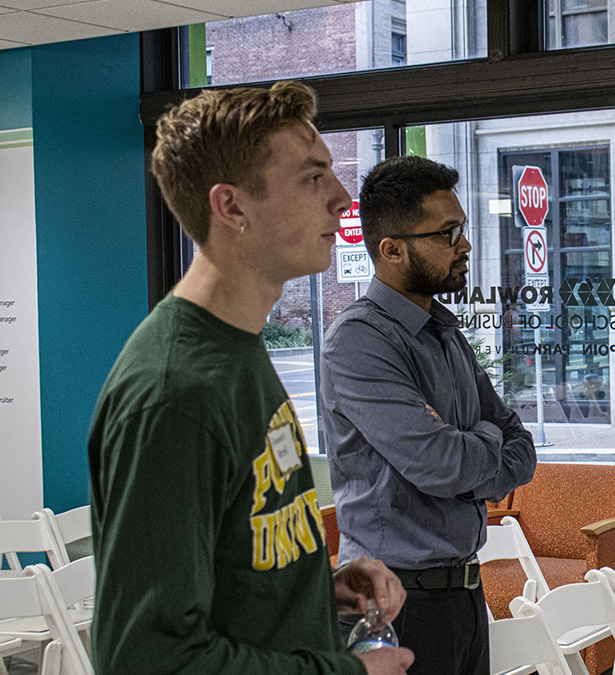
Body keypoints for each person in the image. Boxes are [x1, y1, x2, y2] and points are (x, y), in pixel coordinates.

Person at [88, 81, 414, 675]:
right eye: (313, 177)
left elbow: (235, 568)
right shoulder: (175, 392)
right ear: (232, 207)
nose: (343, 198)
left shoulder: (237, 348)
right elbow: (148, 657)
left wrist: (314, 588)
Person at [320, 155, 537, 675]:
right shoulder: (359, 341)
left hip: (463, 592)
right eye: (447, 232)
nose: (464, 245)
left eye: (460, 228)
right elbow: (442, 464)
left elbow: (522, 449)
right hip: (393, 603)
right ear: (391, 249)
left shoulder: (443, 331)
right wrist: (481, 443)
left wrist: (468, 445)